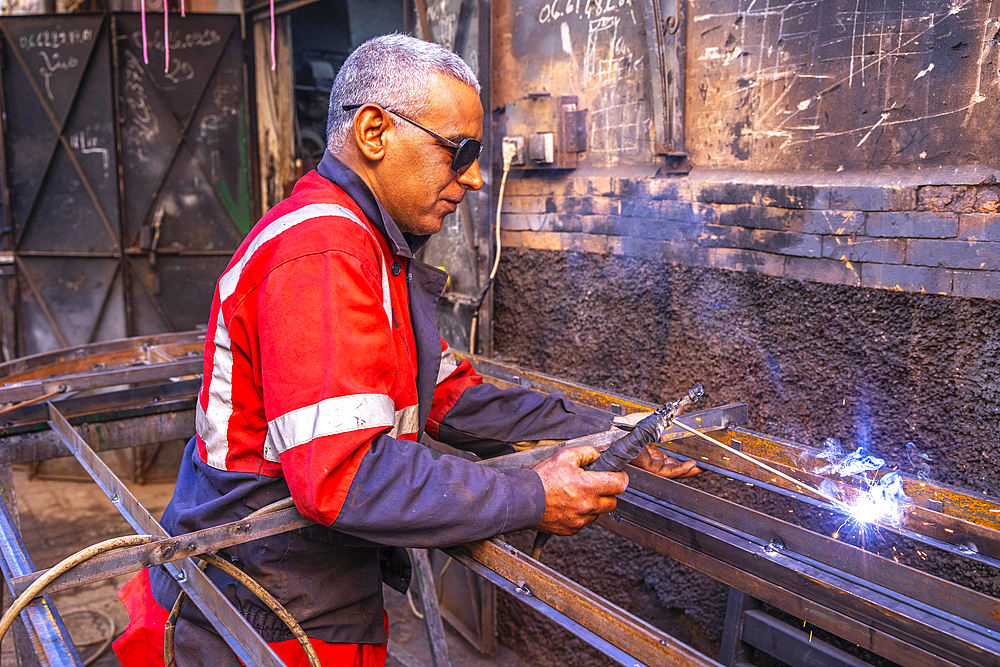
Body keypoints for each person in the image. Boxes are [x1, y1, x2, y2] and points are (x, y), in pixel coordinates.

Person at [112, 33, 699, 667]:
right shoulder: (323, 251)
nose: (473, 178)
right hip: (263, 606)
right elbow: (344, 476)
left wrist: (611, 432)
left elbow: (446, 394)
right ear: (373, 132)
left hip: (295, 590)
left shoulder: (369, 247)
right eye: (460, 151)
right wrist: (533, 496)